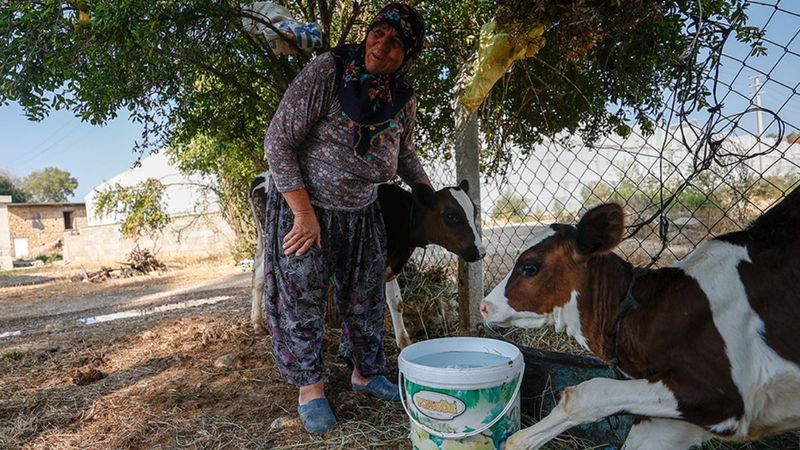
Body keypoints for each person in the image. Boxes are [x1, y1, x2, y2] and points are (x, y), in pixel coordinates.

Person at [261, 3, 430, 434]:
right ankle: (311, 389)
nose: (383, 46)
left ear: (407, 55)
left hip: (362, 212)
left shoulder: (402, 98)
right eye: (379, 34)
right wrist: (302, 214)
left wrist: (427, 190)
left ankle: (365, 372)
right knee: (302, 299)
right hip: (307, 209)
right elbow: (278, 142)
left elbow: (404, 153)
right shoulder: (329, 71)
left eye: (396, 43)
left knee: (366, 297)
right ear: (368, 33)